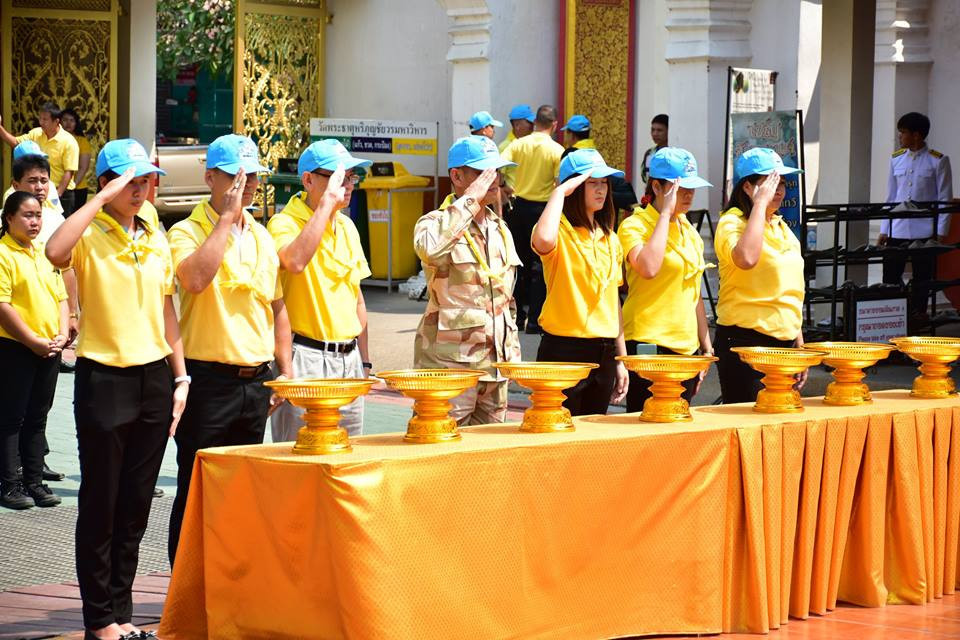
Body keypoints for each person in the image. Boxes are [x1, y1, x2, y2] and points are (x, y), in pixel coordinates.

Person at [45, 139, 187, 640]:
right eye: (131, 180)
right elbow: (54, 250)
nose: (142, 189)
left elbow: (166, 309)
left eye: (148, 180)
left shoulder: (156, 232)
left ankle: (122, 615)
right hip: (104, 378)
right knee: (102, 500)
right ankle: (98, 619)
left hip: (154, 377)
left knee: (137, 502)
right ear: (107, 182)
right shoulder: (89, 231)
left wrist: (181, 376)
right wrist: (100, 201)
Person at [166, 135, 292, 565]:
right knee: (197, 489)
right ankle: (184, 591)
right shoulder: (186, 230)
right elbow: (194, 280)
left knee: (241, 494)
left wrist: (284, 370)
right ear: (210, 178)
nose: (247, 185)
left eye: (254, 176)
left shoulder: (261, 235)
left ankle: (232, 586)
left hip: (255, 382)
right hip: (208, 380)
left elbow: (277, 306)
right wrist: (226, 220)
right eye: (236, 176)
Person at [413, 136, 521, 424]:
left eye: (495, 171)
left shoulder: (500, 229)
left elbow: (505, 298)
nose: (493, 179)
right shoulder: (434, 222)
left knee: (487, 455)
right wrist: (470, 200)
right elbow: (431, 248)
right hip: (450, 368)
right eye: (482, 173)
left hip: (495, 369)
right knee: (439, 448)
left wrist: (512, 355)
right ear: (457, 176)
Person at [268, 140, 372, 441]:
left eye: (351, 177)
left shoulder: (347, 227)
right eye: (338, 177)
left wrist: (364, 362)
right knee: (299, 457)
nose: (347, 185)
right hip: (306, 357)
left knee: (346, 456)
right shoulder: (283, 223)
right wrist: (326, 205)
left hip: (348, 360)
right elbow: (294, 261)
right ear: (308, 180)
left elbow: (358, 300)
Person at [531, 148, 629, 415]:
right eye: (591, 183)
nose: (601, 191)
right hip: (564, 349)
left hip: (604, 351)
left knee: (591, 441)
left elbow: (613, 302)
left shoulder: (610, 237)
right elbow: (543, 241)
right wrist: (559, 193)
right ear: (573, 187)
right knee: (557, 437)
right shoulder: (558, 230)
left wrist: (621, 359)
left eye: (604, 184)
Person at [618, 148, 713, 413]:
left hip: (686, 348)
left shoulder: (688, 230)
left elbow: (693, 293)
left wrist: (705, 346)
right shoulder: (635, 225)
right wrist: (664, 215)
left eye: (692, 188)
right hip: (650, 343)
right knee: (646, 426)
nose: (689, 194)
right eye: (680, 188)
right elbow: (648, 267)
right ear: (657, 186)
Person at [713, 147, 805, 404]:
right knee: (749, 426)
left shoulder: (780, 226)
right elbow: (746, 258)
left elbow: (791, 288)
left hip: (784, 340)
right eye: (769, 182)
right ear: (747, 188)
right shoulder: (732, 222)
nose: (778, 190)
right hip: (746, 337)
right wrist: (760, 204)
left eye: (782, 183)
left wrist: (798, 339)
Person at [0, 192, 67, 510]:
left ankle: (34, 482)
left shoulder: (45, 252)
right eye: (27, 215)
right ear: (9, 217)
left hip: (48, 348)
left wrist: (63, 332)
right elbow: (3, 306)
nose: (34, 221)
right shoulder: (3, 253)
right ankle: (10, 485)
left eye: (38, 215)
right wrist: (31, 340)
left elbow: (61, 297)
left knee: (38, 418)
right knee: (12, 417)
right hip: (15, 347)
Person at [880, 112, 954, 323]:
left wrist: (940, 232)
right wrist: (885, 229)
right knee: (891, 276)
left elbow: (945, 199)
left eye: (903, 133)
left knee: (923, 279)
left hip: (925, 230)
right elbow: (891, 196)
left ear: (916, 135)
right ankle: (892, 316)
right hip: (898, 228)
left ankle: (918, 317)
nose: (900, 137)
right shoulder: (896, 159)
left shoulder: (937, 161)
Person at [501, 104, 565, 333]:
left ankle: (517, 318)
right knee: (540, 266)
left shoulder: (518, 144)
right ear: (555, 125)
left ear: (535, 122)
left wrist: (503, 186)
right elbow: (559, 183)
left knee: (518, 263)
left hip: (519, 206)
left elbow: (499, 166)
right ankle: (536, 321)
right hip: (543, 210)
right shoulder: (557, 150)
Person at [0, 104, 80, 216]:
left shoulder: (69, 141)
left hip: (60, 192)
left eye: (45, 119)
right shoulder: (36, 133)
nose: (41, 122)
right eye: (40, 118)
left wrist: (57, 194)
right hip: (35, 189)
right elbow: (16, 144)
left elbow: (69, 171)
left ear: (56, 121)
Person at [60, 108, 93, 210]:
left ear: (76, 123)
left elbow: (83, 167)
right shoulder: (54, 140)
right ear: (59, 121)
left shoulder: (82, 141)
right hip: (56, 187)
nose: (68, 123)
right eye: (65, 120)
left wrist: (71, 186)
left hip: (77, 188)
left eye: (72, 120)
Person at [640, 114, 669, 188]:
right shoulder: (649, 153)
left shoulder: (674, 154)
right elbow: (644, 177)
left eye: (659, 130)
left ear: (669, 131)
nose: (655, 134)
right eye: (653, 130)